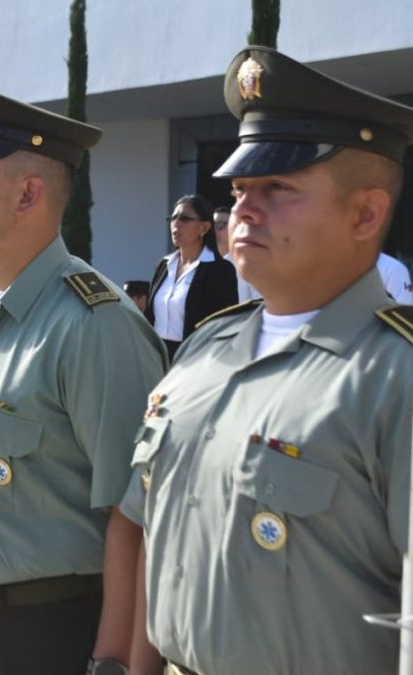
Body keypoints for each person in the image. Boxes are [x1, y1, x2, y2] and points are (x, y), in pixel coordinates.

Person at [123, 46, 413, 675]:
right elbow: (154, 536)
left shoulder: (395, 378)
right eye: (239, 189)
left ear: (366, 213)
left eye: (277, 187)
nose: (242, 209)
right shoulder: (204, 349)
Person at [0, 76, 166, 675]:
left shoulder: (94, 325)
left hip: (42, 633)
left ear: (28, 194)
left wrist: (113, 661)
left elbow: (136, 518)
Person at [144, 194, 238, 359]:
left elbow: (224, 325)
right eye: (173, 218)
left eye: (185, 219)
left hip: (195, 358)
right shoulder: (164, 265)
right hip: (156, 356)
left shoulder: (220, 270)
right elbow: (150, 317)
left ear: (204, 228)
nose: (176, 225)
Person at [215, 206, 260, 302]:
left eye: (220, 226)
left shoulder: (247, 264)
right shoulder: (204, 265)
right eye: (213, 225)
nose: (214, 231)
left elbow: (258, 304)